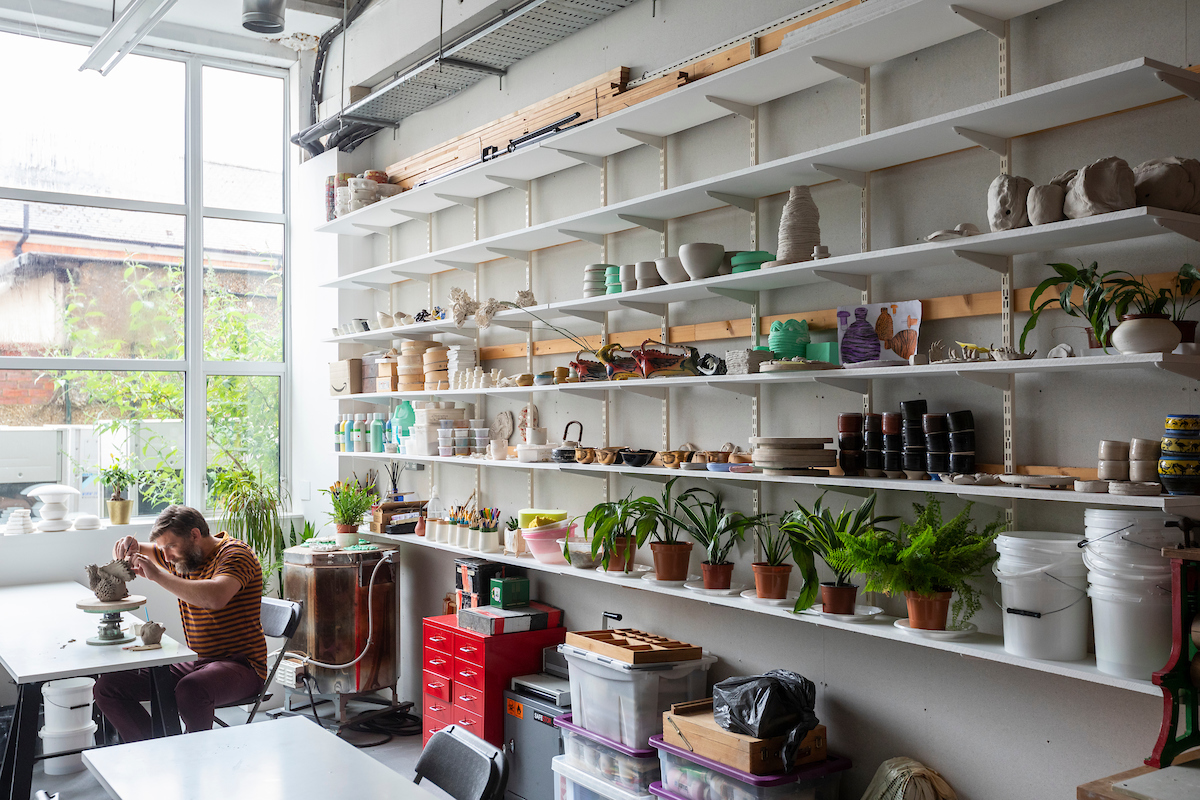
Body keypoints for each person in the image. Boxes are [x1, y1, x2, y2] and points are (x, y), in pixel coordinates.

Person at [93, 505, 267, 741]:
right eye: (163, 548)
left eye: (171, 546)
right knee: (108, 687)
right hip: (199, 661)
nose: (166, 556)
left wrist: (157, 575)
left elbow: (215, 597)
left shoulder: (235, 554)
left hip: (242, 666)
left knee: (190, 690)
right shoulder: (182, 555)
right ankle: (155, 751)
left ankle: (193, 760)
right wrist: (129, 546)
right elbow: (145, 550)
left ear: (195, 535)